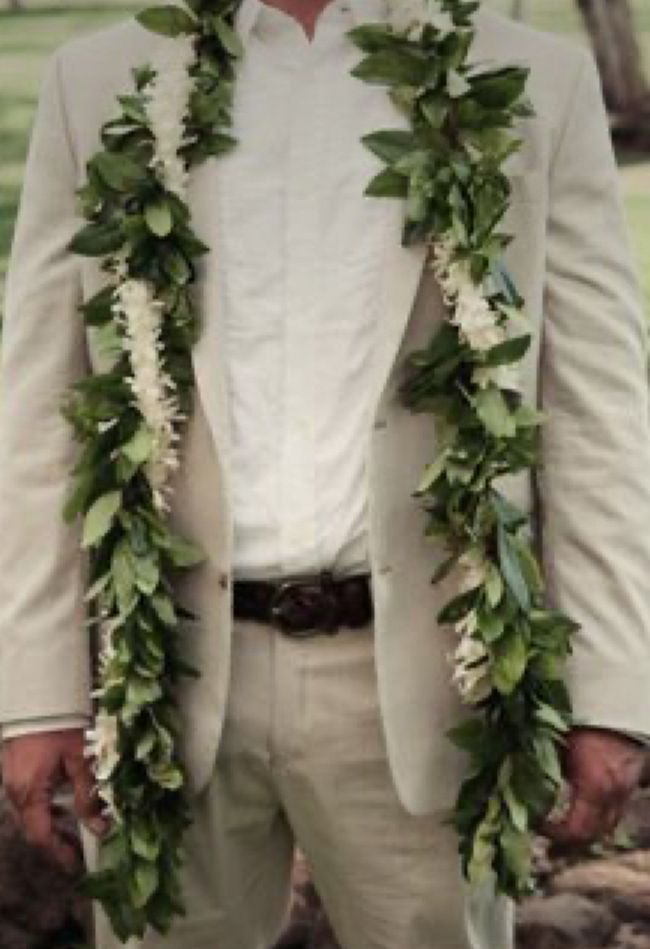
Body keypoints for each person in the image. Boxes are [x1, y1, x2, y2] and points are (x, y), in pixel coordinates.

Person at [1, 0, 650, 947]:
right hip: (164, 686)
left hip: (425, 688)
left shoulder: (531, 84)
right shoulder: (98, 82)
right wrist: (39, 690)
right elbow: (38, 408)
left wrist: (609, 690)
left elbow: (596, 412)